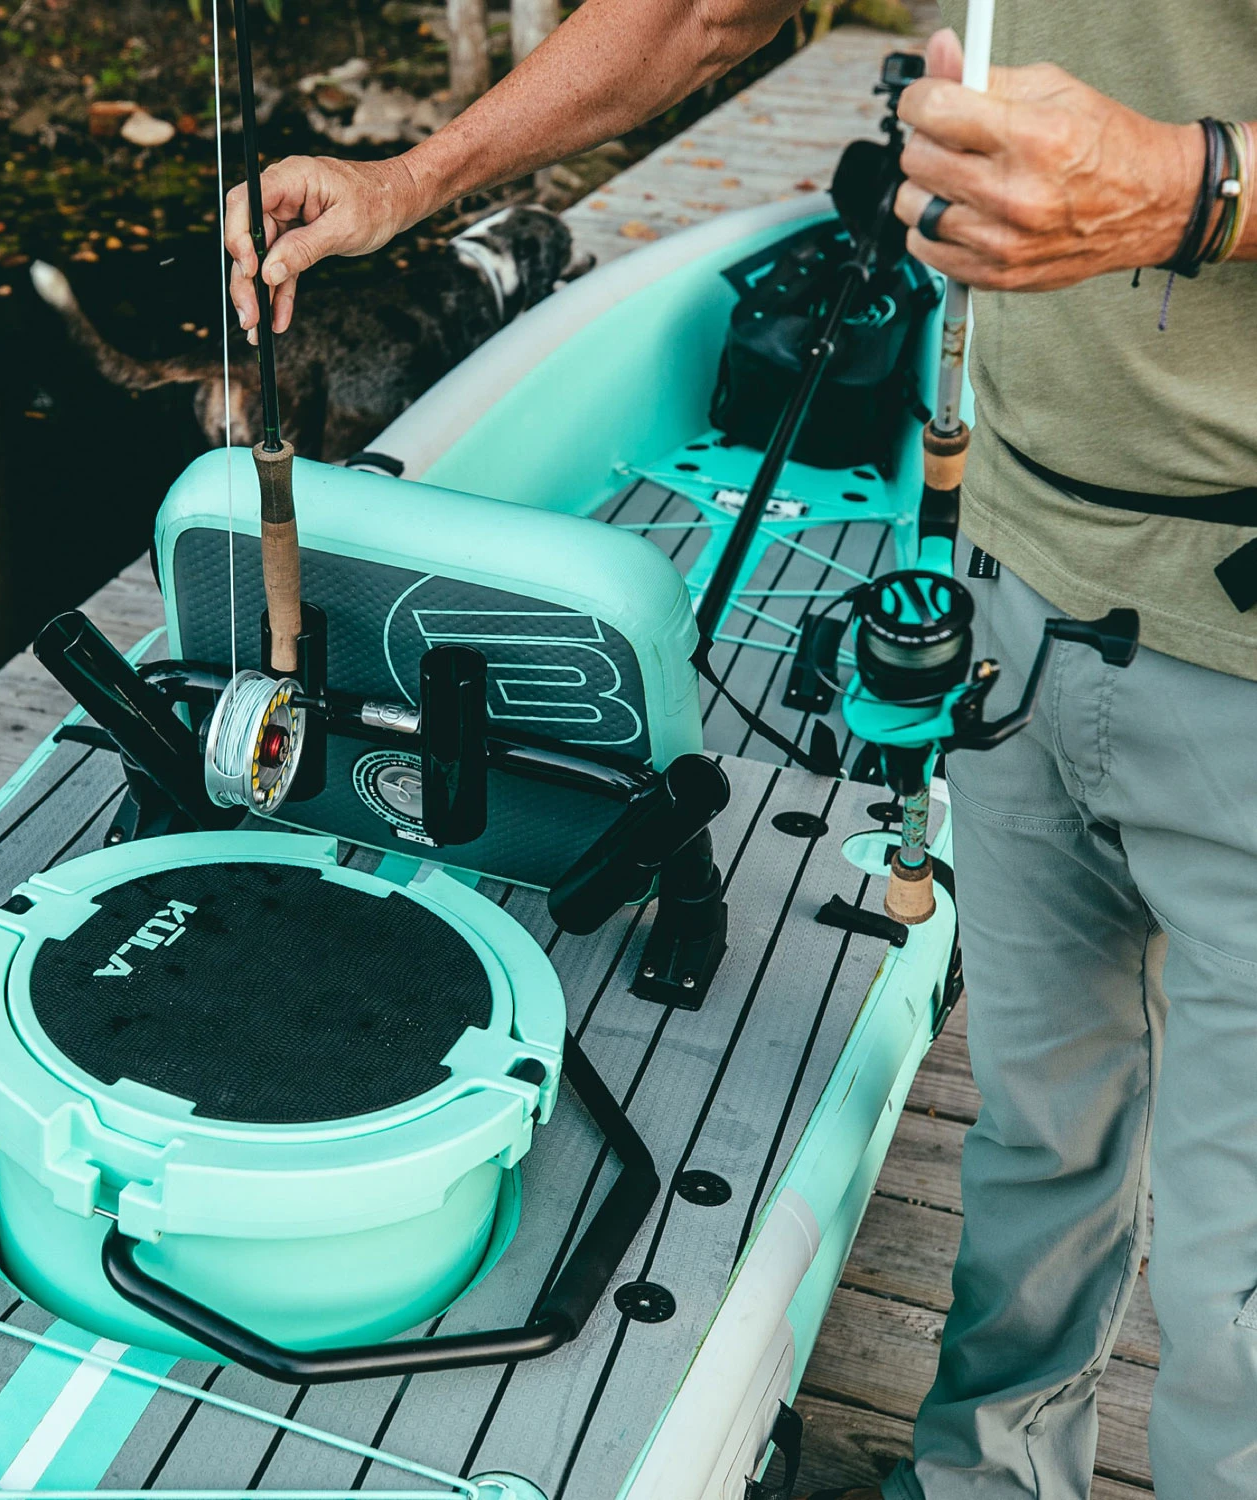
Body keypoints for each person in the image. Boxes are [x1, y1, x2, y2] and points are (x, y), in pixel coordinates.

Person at [225, 4, 1257, 1497]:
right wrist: (411, 180)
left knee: (1239, 1286)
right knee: (1042, 1134)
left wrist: (1194, 188)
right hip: (1013, 575)